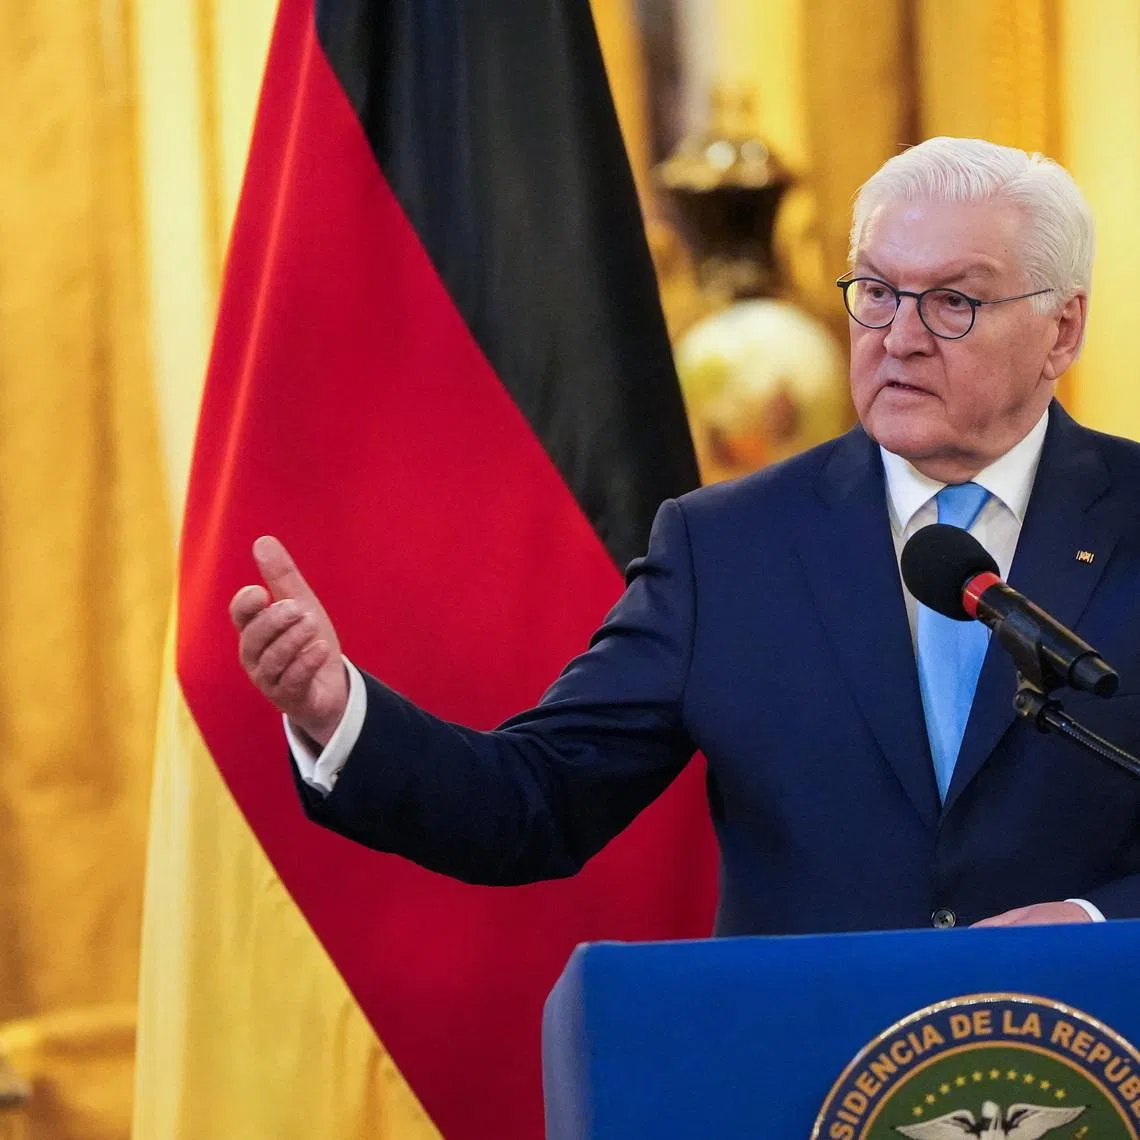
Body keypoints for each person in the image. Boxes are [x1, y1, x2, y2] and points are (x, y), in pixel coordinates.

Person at [231, 136, 1140, 934]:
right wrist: (332, 710)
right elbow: (533, 800)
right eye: (875, 290)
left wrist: (1102, 922)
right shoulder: (727, 549)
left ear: (1062, 329)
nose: (897, 337)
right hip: (807, 1083)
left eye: (952, 302)